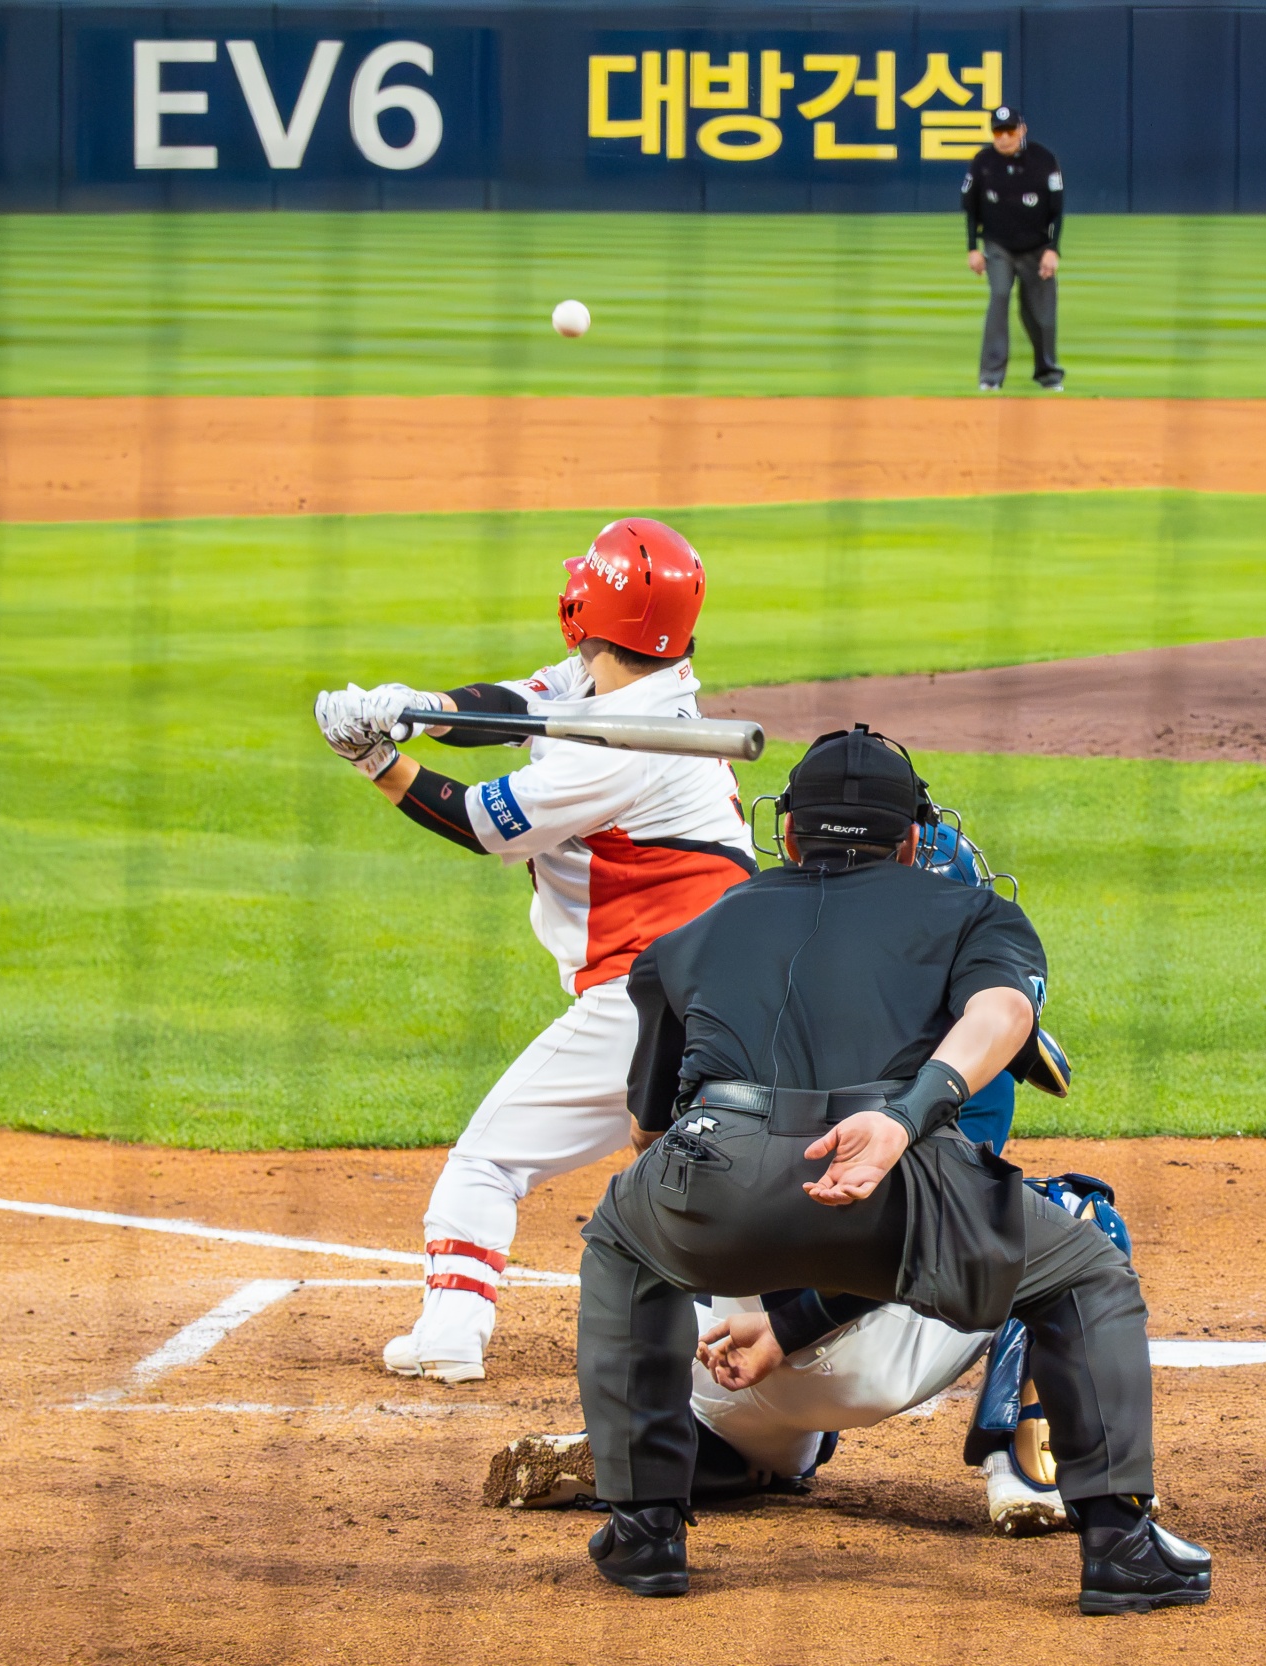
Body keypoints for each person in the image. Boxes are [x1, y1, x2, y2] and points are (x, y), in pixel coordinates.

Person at [578, 725, 1210, 1613]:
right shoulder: (974, 915)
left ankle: (645, 1529)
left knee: (620, 1240)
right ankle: (1118, 1542)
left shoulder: (692, 934)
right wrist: (902, 1119)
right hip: (896, 1205)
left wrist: (730, 1184)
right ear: (913, 841)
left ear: (786, 832)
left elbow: (649, 1130)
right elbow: (1003, 1015)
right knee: (1086, 1263)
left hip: (718, 1194)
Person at [311, 517, 756, 1386]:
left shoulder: (622, 748)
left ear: (585, 606)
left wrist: (374, 762)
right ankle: (736, 1337)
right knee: (694, 1167)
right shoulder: (628, 681)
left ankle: (451, 1332)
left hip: (653, 996)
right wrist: (417, 707)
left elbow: (482, 823)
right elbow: (516, 706)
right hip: (730, 987)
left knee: (488, 1161)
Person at [961, 106, 1064, 393]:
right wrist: (972, 248)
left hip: (1037, 247)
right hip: (998, 246)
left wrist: (1053, 249)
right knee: (999, 296)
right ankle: (991, 376)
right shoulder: (983, 162)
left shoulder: (1044, 160)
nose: (1004, 137)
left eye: (1009, 131)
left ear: (1022, 130)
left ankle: (1048, 374)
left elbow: (1057, 210)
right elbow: (970, 208)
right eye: (998, 132)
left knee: (1042, 314)